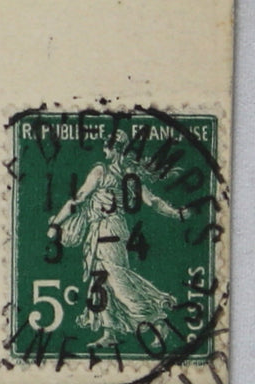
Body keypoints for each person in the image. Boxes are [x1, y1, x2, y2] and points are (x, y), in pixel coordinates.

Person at [48, 140, 187, 347]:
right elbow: (153, 202)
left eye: (107, 147)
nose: (104, 151)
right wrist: (177, 213)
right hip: (105, 230)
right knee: (99, 281)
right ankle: (109, 333)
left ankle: (157, 320)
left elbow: (79, 198)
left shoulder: (101, 171)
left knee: (118, 279)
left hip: (107, 230)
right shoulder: (130, 174)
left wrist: (56, 223)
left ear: (115, 149)